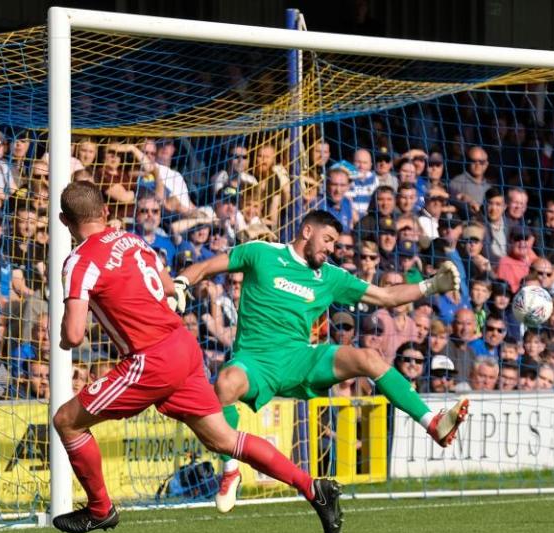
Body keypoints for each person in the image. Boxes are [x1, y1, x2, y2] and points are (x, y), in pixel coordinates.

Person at [52, 182, 344, 533]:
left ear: (64, 220)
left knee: (67, 422)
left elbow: (76, 335)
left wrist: (64, 334)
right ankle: (312, 487)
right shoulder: (134, 241)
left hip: (150, 358)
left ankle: (99, 509)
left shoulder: (79, 261)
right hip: (183, 347)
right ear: (106, 212)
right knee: (224, 438)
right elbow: (166, 286)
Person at [173, 209, 467, 513]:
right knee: (224, 383)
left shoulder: (330, 276)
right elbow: (207, 266)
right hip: (255, 362)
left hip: (301, 358)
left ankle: (432, 422)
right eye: (327, 240)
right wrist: (181, 282)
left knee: (367, 357)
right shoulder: (260, 253)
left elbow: (386, 297)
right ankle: (230, 471)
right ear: (306, 231)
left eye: (334, 244)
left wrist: (431, 286)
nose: (330, 249)